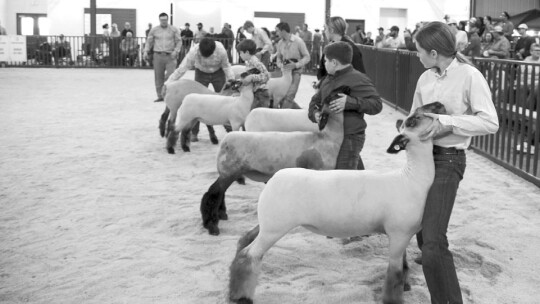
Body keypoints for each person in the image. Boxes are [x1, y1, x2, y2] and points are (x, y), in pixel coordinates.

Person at [411, 21, 499, 304]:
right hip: (421, 158)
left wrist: (447, 122)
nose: (417, 55)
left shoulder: (469, 76)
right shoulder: (425, 78)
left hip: (449, 159)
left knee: (433, 241)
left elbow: (490, 122)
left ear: (434, 53)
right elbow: (414, 117)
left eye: (419, 50)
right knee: (424, 235)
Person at [308, 41, 382, 170]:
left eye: (325, 61)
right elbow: (315, 100)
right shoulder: (327, 79)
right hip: (329, 135)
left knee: (343, 178)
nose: (324, 64)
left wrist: (349, 102)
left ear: (334, 63)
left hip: (350, 137)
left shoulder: (359, 79)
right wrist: (315, 114)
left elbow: (376, 104)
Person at [164, 37, 234, 140]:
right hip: (201, 73)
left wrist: (231, 80)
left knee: (224, 100)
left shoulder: (221, 50)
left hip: (218, 73)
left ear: (214, 50)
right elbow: (182, 68)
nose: (206, 58)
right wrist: (168, 83)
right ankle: (194, 133)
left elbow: (227, 67)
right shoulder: (194, 52)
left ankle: (230, 131)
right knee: (197, 102)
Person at [144, 12, 181, 102]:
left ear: (167, 19)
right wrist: (145, 51)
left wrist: (176, 51)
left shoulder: (174, 29)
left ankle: (169, 94)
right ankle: (160, 96)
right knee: (158, 76)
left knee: (171, 75)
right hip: (158, 55)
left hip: (170, 56)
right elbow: (149, 42)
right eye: (162, 20)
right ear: (159, 20)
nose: (163, 21)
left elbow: (179, 42)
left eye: (165, 20)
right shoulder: (154, 30)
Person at [274, 21, 310, 109]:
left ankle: (282, 118)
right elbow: (278, 57)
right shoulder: (280, 43)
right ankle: (300, 113)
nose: (276, 33)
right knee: (283, 96)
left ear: (283, 31)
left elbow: (307, 57)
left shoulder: (298, 41)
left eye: (277, 31)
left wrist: (296, 65)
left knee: (290, 95)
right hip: (284, 73)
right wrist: (280, 65)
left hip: (296, 72)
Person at [318, 16, 366, 81]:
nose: (324, 31)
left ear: (331, 30)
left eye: (325, 28)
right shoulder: (329, 47)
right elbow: (322, 70)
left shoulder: (352, 49)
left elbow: (360, 76)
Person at [236, 39, 271, 108]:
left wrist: (252, 77)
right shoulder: (249, 62)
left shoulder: (255, 62)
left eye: (240, 53)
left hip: (261, 93)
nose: (240, 55)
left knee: (258, 113)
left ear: (247, 52)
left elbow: (266, 76)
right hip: (255, 92)